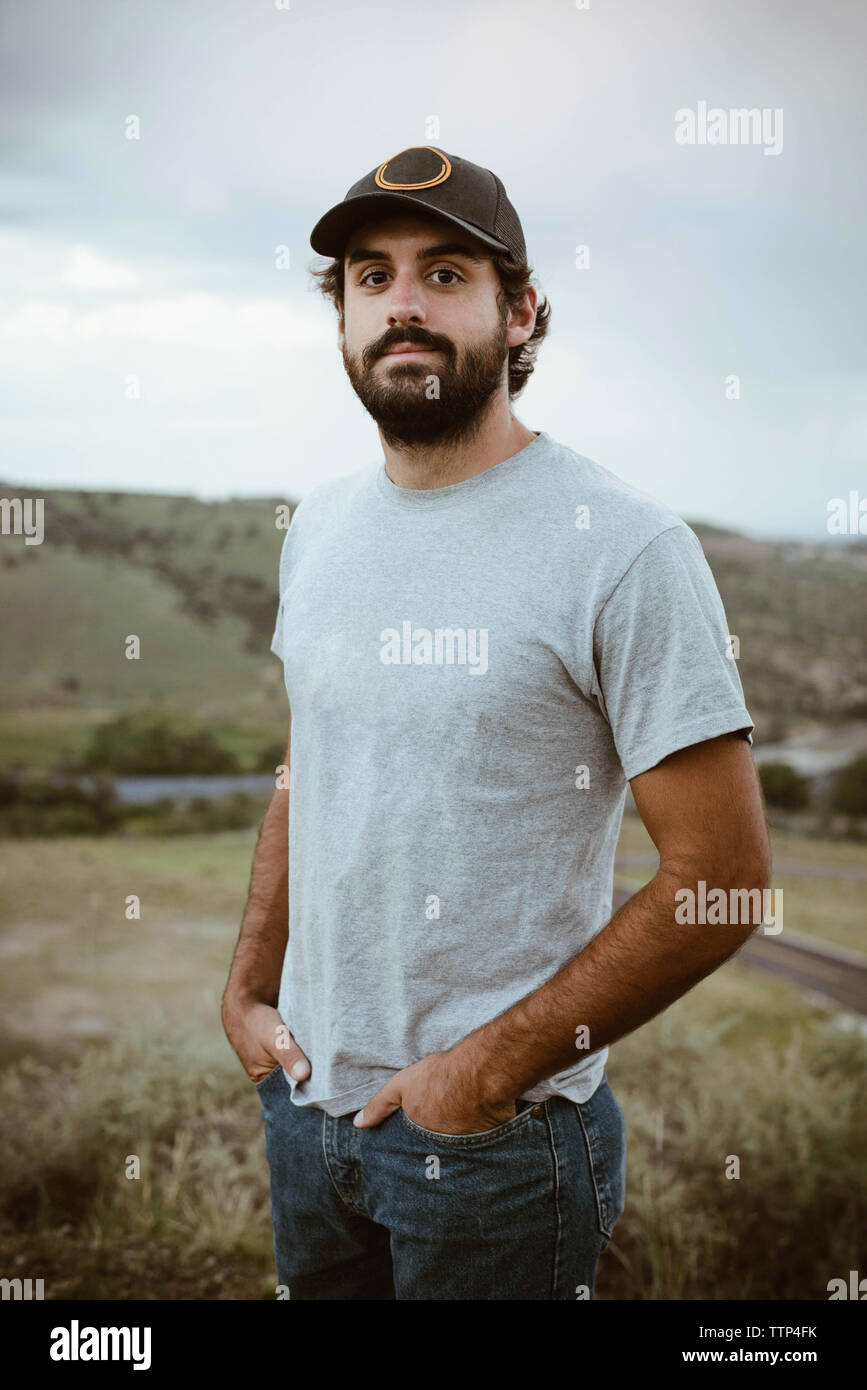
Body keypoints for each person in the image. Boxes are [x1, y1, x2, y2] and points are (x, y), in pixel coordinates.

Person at [221, 144, 770, 1301]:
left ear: (519, 312)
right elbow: (306, 766)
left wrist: (476, 1077)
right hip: (306, 1108)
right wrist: (247, 989)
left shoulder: (625, 549)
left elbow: (723, 876)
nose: (403, 304)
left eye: (446, 273)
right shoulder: (317, 528)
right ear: (341, 318)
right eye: (370, 278)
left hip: (494, 1149)